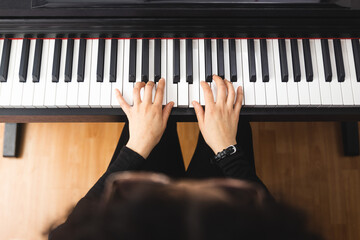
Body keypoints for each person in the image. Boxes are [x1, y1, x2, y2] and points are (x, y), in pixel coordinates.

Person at [48, 75, 321, 240]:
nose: (179, 185)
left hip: (141, 211)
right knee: (233, 120)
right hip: (226, 215)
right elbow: (270, 220)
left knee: (155, 125)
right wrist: (227, 150)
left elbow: (75, 226)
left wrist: (138, 146)